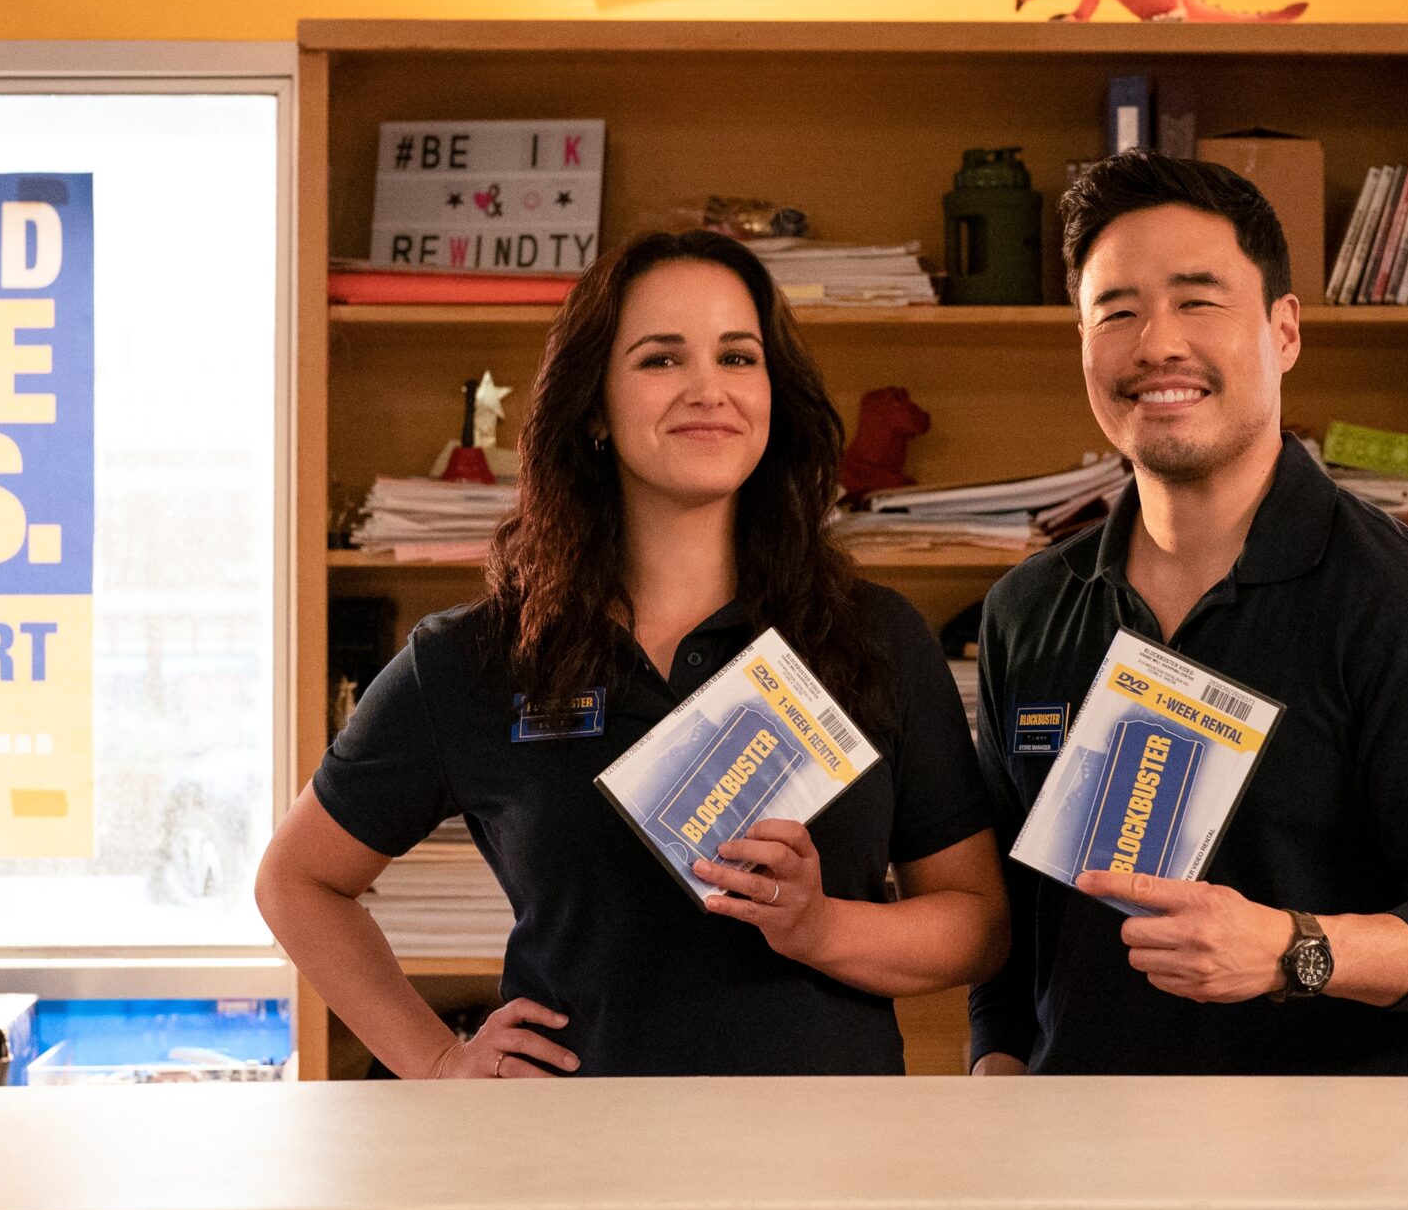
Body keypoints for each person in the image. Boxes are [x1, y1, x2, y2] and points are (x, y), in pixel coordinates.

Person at [258, 230, 1008, 1079]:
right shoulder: (478, 659)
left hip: (825, 1177)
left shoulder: (874, 636)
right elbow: (296, 880)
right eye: (660, 360)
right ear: (592, 408)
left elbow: (978, 923)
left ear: (773, 394)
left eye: (737, 356)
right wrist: (436, 1061)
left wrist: (821, 925)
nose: (708, 389)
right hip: (575, 1176)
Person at [968, 152, 1408, 1076]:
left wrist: (1292, 949)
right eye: (1116, 309)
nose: (1156, 342)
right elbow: (1011, 911)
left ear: (1284, 331)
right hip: (1076, 1180)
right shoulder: (1026, 613)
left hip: (1330, 1190)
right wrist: (994, 1059)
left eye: (1199, 300)